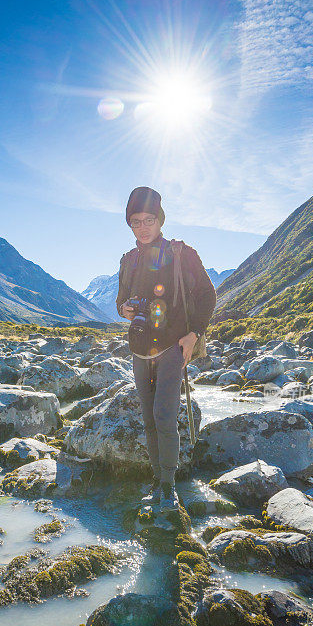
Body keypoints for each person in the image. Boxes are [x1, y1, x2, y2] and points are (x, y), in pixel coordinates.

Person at [116, 186, 216, 511]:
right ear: (130, 224)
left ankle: (168, 485)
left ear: (160, 219)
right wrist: (125, 310)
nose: (143, 227)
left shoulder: (182, 253)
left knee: (164, 415)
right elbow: (120, 302)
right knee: (148, 418)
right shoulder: (128, 260)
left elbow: (207, 295)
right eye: (135, 222)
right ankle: (156, 481)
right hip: (140, 349)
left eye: (149, 220)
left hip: (173, 347)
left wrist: (194, 334)